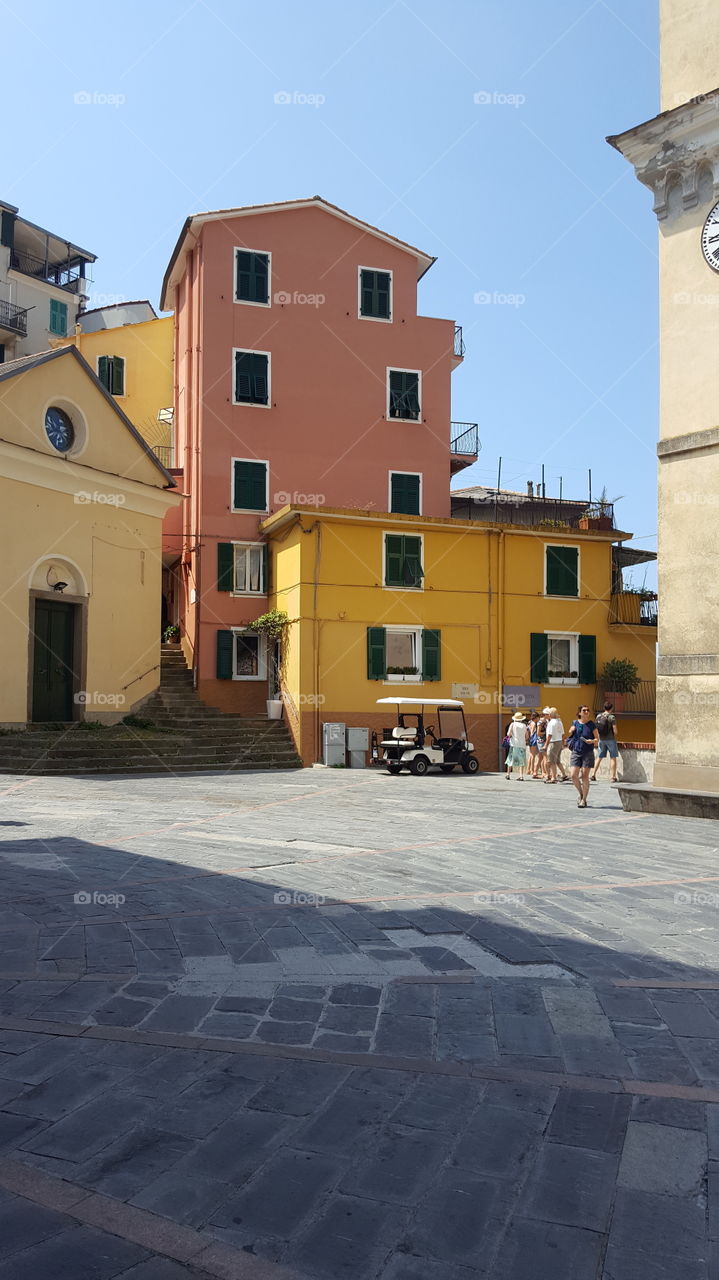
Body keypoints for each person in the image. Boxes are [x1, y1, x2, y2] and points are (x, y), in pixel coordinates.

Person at [566, 704, 599, 807]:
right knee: (573, 775)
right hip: (576, 751)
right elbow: (570, 733)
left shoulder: (591, 724)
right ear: (579, 712)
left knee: (585, 776)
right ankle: (581, 793)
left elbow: (597, 739)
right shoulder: (575, 723)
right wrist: (571, 730)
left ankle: (584, 799)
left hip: (588, 752)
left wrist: (592, 741)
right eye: (584, 710)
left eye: (587, 710)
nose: (586, 712)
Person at [590, 700, 619, 783]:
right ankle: (613, 777)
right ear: (611, 708)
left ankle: (593, 774)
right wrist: (615, 735)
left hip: (601, 739)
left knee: (599, 757)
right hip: (610, 739)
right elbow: (615, 730)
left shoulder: (598, 716)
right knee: (613, 757)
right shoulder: (611, 717)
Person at [544, 706, 568, 783]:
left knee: (552, 761)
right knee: (557, 760)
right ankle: (564, 774)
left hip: (553, 742)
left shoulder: (551, 723)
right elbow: (563, 733)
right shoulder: (559, 722)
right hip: (559, 741)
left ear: (550, 714)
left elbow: (549, 735)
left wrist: (545, 745)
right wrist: (563, 742)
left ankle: (553, 778)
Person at [506, 712, 529, 781]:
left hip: (514, 744)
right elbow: (527, 736)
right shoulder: (524, 725)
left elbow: (508, 734)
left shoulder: (512, 724)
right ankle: (521, 776)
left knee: (510, 759)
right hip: (522, 745)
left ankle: (508, 774)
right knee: (521, 760)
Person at [534, 709, 549, 778]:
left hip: (543, 741)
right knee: (545, 757)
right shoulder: (541, 722)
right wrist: (546, 733)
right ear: (545, 715)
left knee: (540, 758)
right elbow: (538, 733)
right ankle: (547, 774)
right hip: (541, 741)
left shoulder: (546, 721)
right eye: (548, 714)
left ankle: (535, 773)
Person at [526, 710, 539, 777]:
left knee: (531, 755)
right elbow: (532, 732)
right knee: (533, 755)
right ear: (536, 717)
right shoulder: (534, 723)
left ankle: (528, 769)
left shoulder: (529, 722)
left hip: (530, 740)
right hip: (533, 739)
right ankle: (532, 770)